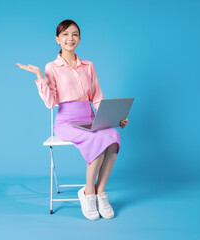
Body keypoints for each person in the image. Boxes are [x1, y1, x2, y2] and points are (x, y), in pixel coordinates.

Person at [16, 19, 129, 221]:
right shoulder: (52, 67)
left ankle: (100, 192)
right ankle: (88, 194)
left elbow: (97, 97)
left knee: (112, 136)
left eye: (75, 34)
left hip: (90, 118)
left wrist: (114, 118)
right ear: (57, 39)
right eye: (65, 34)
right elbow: (51, 103)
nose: (70, 38)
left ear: (80, 38)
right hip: (66, 122)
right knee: (96, 140)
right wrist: (40, 77)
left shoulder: (89, 65)